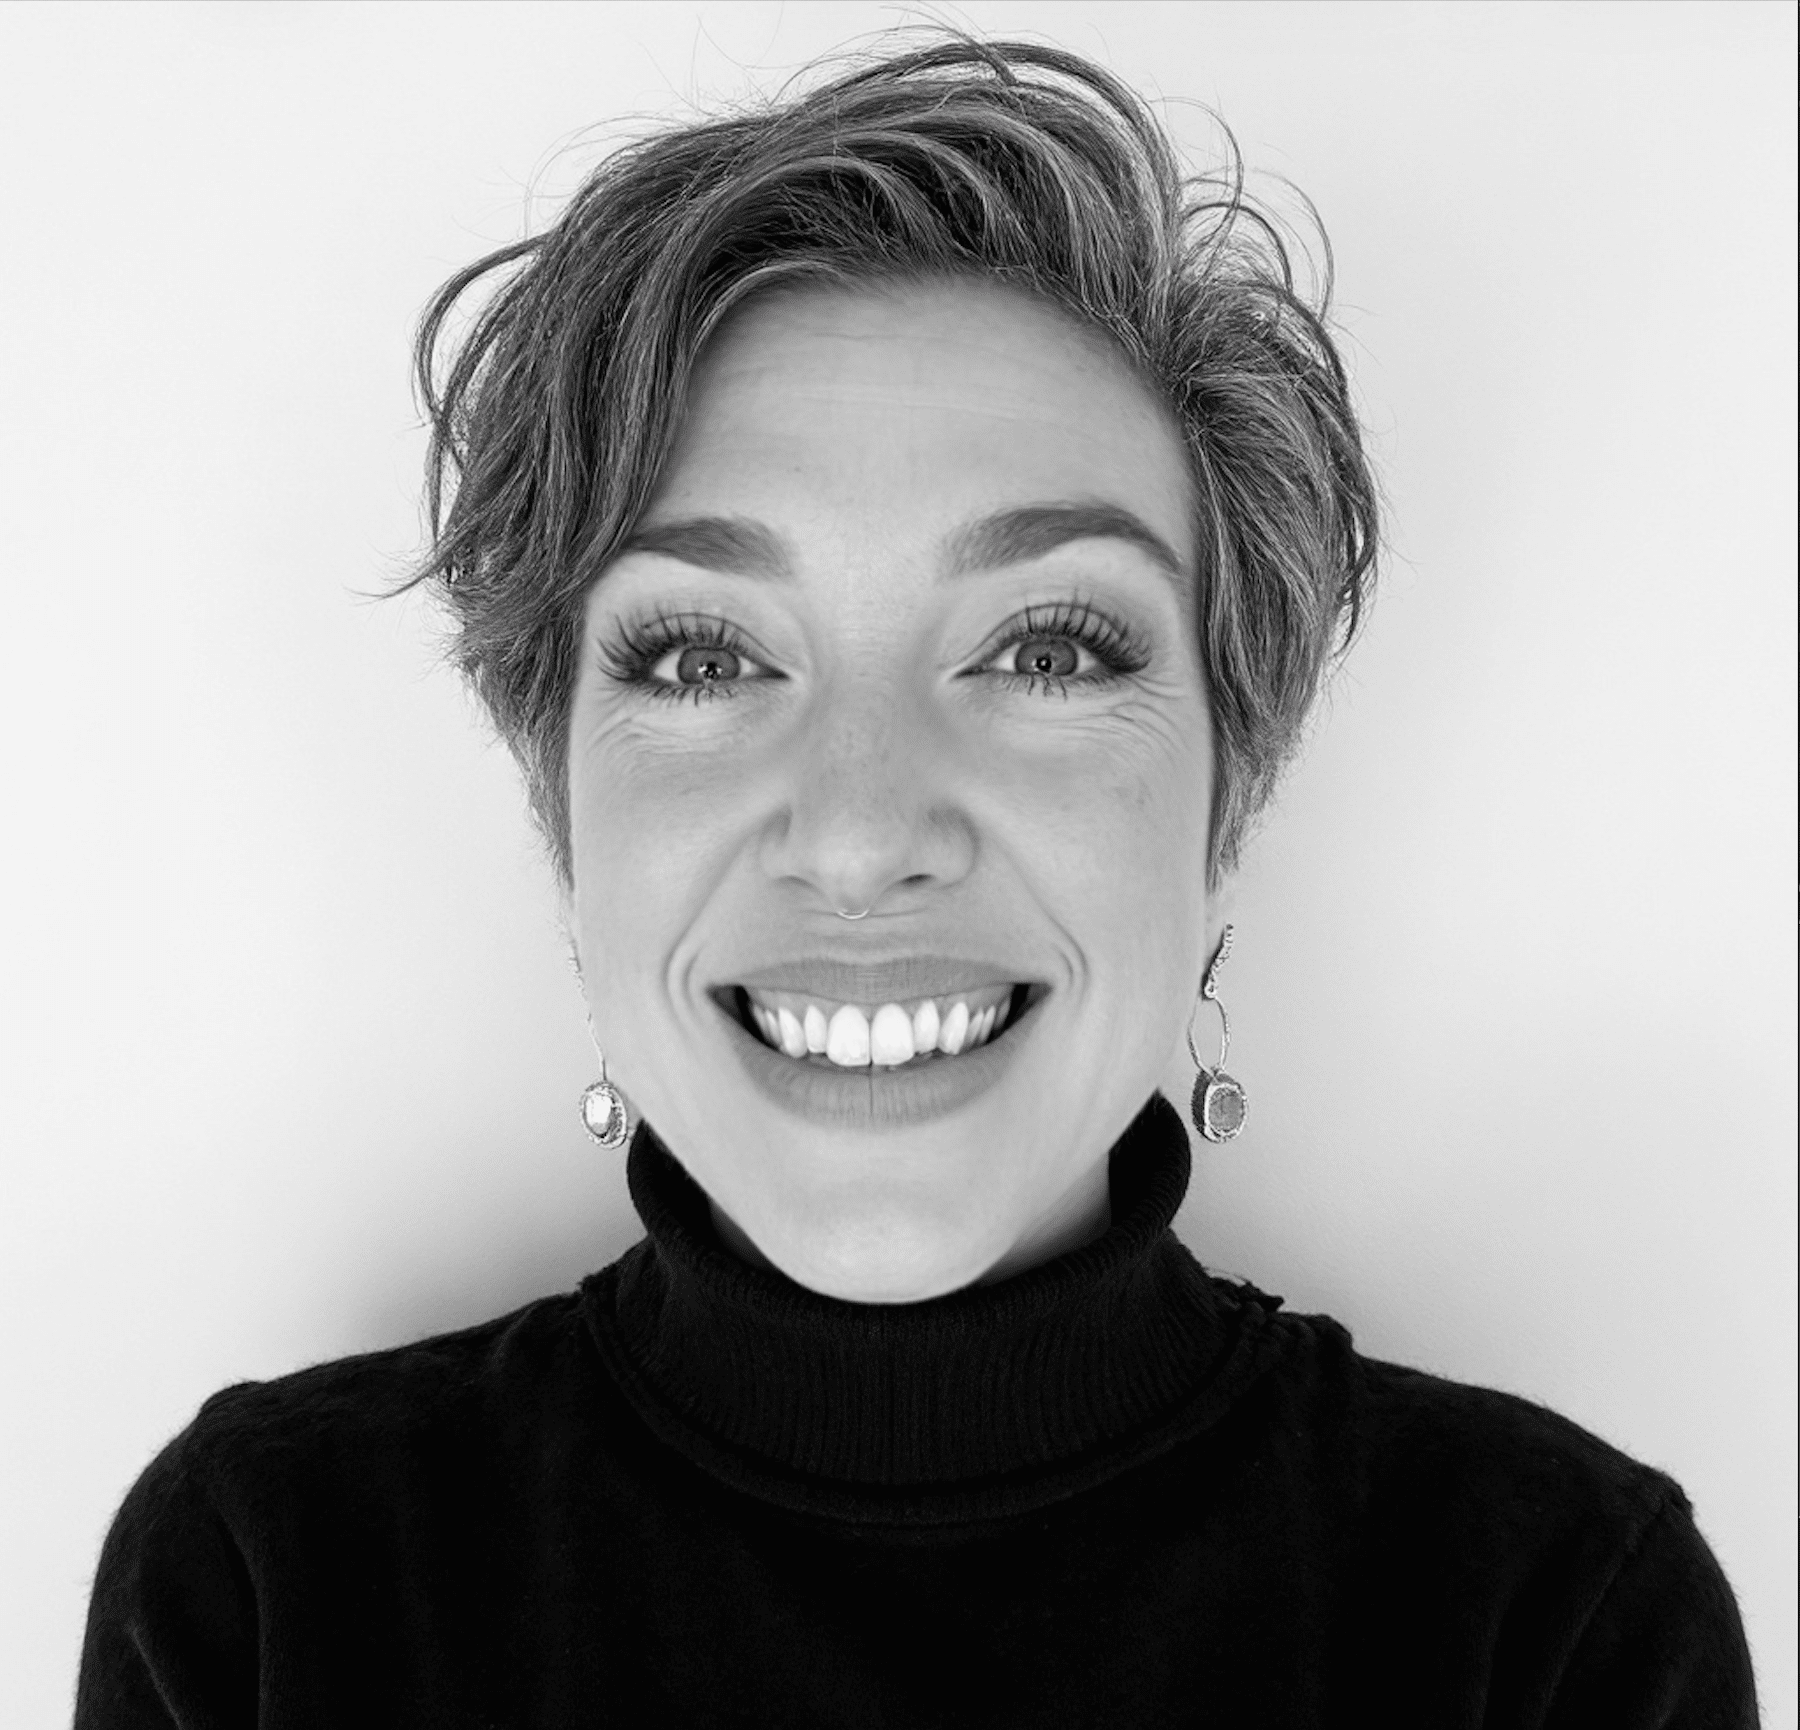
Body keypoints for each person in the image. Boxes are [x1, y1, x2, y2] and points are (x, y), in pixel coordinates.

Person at [74, 30, 1756, 1727]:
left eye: (1045, 647)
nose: (865, 828)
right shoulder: (272, 1587)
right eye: (702, 657)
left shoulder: (1549, 1622)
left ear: (1229, 796)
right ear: (564, 815)